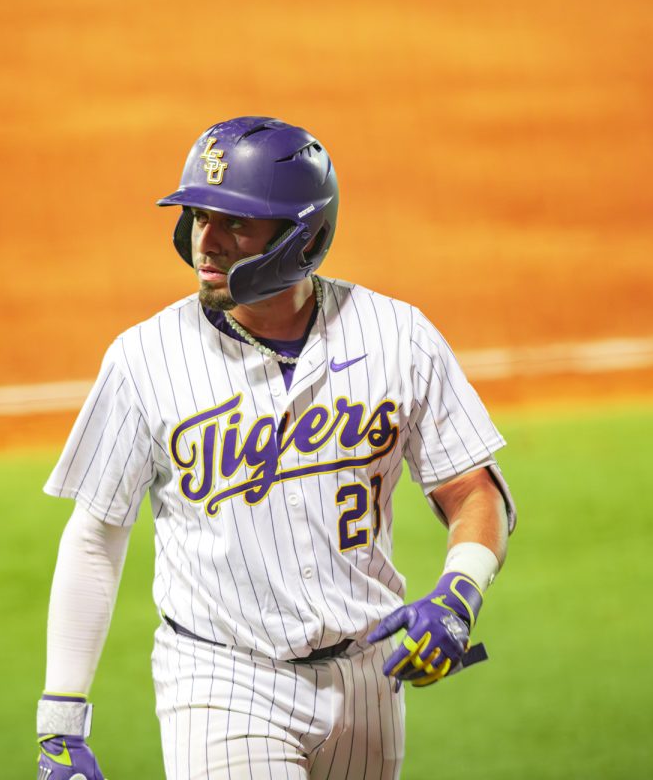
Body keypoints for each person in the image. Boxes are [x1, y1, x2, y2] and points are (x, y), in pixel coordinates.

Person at [35, 116, 516, 780]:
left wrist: (460, 595)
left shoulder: (397, 336)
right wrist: (60, 725)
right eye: (199, 217)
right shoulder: (145, 359)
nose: (207, 240)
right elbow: (95, 536)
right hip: (223, 679)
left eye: (236, 223)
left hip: (369, 683)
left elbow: (474, 492)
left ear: (303, 237)